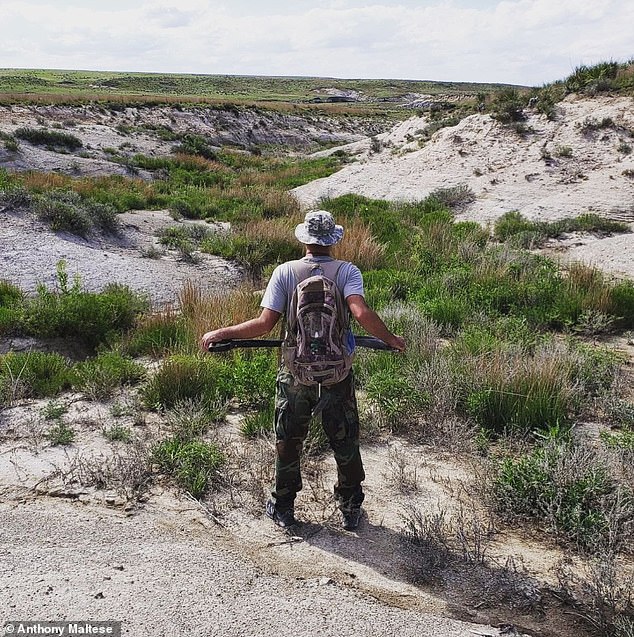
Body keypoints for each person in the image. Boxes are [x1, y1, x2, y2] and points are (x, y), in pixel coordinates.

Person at [201, 210, 405, 531]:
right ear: (333, 241)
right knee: (345, 440)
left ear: (304, 239)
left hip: (295, 373)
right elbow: (360, 312)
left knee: (289, 439)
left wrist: (221, 333)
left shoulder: (285, 272)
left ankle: (283, 507)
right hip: (337, 374)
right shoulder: (347, 271)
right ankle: (351, 508)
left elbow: (264, 324)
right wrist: (391, 339)